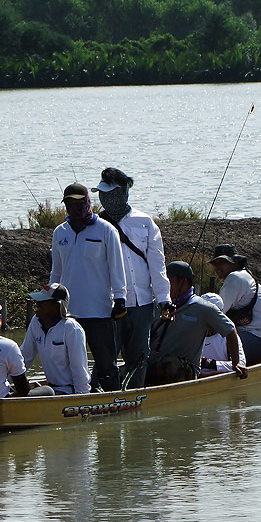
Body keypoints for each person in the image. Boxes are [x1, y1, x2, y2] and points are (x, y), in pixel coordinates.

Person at [92, 167, 171, 389]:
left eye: (111, 191)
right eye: (102, 192)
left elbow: (157, 264)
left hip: (143, 303)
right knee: (105, 356)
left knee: (138, 357)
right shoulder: (95, 226)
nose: (105, 197)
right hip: (109, 306)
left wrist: (164, 298)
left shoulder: (145, 222)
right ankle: (98, 396)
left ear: (125, 191)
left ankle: (135, 393)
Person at [50, 182, 127, 391]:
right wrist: (50, 295)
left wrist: (120, 298)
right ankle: (73, 397)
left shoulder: (106, 230)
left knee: (106, 363)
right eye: (69, 204)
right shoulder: (60, 233)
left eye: (78, 203)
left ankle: (113, 398)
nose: (73, 208)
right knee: (69, 363)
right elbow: (56, 271)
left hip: (99, 311)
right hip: (68, 313)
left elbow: (116, 267)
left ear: (87, 202)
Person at [146, 261, 247, 386]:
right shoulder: (158, 305)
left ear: (183, 281)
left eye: (168, 281)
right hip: (154, 364)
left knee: (169, 365)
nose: (163, 285)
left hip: (183, 369)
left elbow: (230, 330)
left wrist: (236, 363)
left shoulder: (202, 308)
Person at [209, 243, 261, 365]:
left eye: (222, 263)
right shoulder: (243, 276)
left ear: (235, 262)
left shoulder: (235, 278)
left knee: (209, 340)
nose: (218, 267)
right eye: (215, 263)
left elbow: (216, 314)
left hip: (259, 343)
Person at [20, 283, 91, 395]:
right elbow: (25, 357)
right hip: (51, 388)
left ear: (57, 306)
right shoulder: (35, 322)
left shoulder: (71, 328)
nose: (38, 304)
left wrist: (82, 397)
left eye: (43, 302)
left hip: (68, 391)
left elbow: (79, 368)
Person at [198, 292, 247, 377]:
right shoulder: (191, 334)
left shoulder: (229, 337)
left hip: (221, 380)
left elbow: (241, 364)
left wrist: (211, 364)